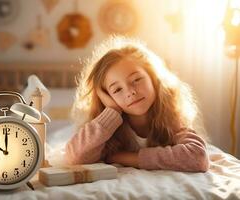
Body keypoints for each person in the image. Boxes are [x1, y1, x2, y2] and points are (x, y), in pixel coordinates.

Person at [65, 36, 209, 172]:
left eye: (136, 80)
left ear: (153, 77)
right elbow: (74, 158)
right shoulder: (105, 128)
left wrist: (124, 157)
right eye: (117, 89)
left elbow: (198, 157)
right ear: (106, 97)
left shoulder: (171, 116)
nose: (130, 92)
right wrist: (112, 111)